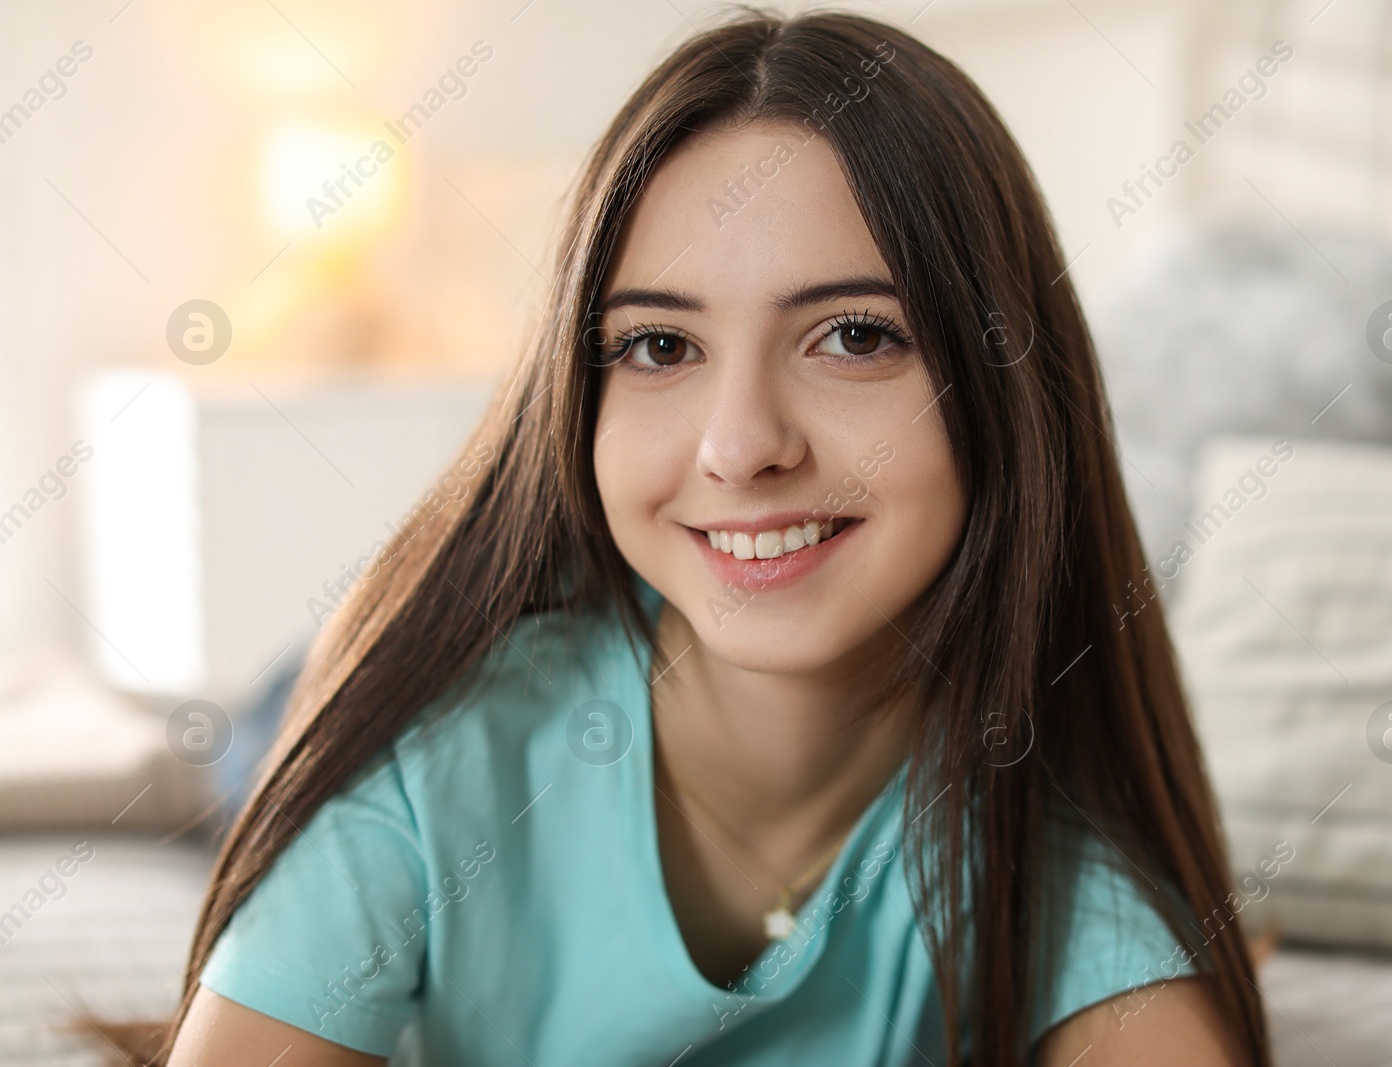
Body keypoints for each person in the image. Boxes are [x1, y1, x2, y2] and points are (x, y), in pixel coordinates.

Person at [163, 8, 1268, 1065]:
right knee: (252, 735)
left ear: (1001, 388)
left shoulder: (1043, 833)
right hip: (363, 685)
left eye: (852, 335)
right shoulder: (426, 757)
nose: (740, 446)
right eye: (656, 345)